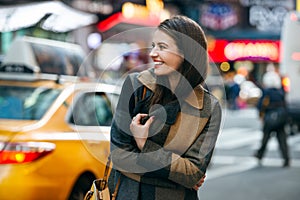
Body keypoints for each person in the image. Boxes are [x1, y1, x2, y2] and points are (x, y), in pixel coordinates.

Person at [109, 15, 222, 200]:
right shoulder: (136, 86)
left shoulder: (208, 107)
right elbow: (119, 156)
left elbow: (193, 172)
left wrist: (144, 144)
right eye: (154, 45)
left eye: (162, 47)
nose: (153, 53)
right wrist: (177, 175)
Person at [255, 70, 290, 167]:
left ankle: (260, 155)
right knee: (282, 139)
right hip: (281, 119)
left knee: (265, 138)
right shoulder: (281, 92)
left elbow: (260, 105)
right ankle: (286, 158)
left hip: (269, 118)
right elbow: (285, 105)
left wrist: (261, 115)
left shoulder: (267, 92)